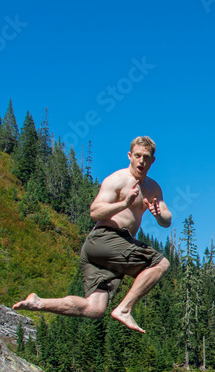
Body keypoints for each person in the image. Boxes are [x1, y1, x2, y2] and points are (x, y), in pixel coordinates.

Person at [13, 136, 171, 334]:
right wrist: (123, 204)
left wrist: (159, 215)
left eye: (146, 157)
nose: (141, 161)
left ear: (152, 161)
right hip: (105, 238)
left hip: (105, 250)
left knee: (94, 308)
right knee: (161, 263)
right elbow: (95, 212)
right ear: (129, 156)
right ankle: (124, 309)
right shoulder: (117, 180)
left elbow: (167, 220)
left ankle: (39, 303)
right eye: (137, 156)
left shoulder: (153, 188)